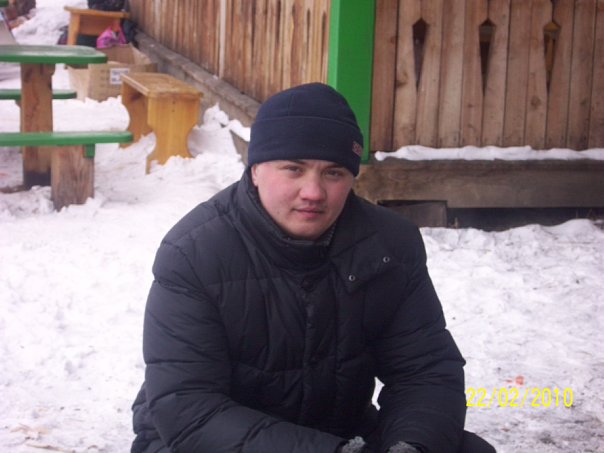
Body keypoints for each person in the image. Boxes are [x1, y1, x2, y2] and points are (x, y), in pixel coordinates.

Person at [131, 83, 496, 453]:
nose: (314, 192)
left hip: (343, 433)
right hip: (204, 440)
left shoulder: (389, 245)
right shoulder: (195, 253)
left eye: (333, 173)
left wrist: (412, 446)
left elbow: (425, 370)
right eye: (294, 169)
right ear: (256, 170)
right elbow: (189, 408)